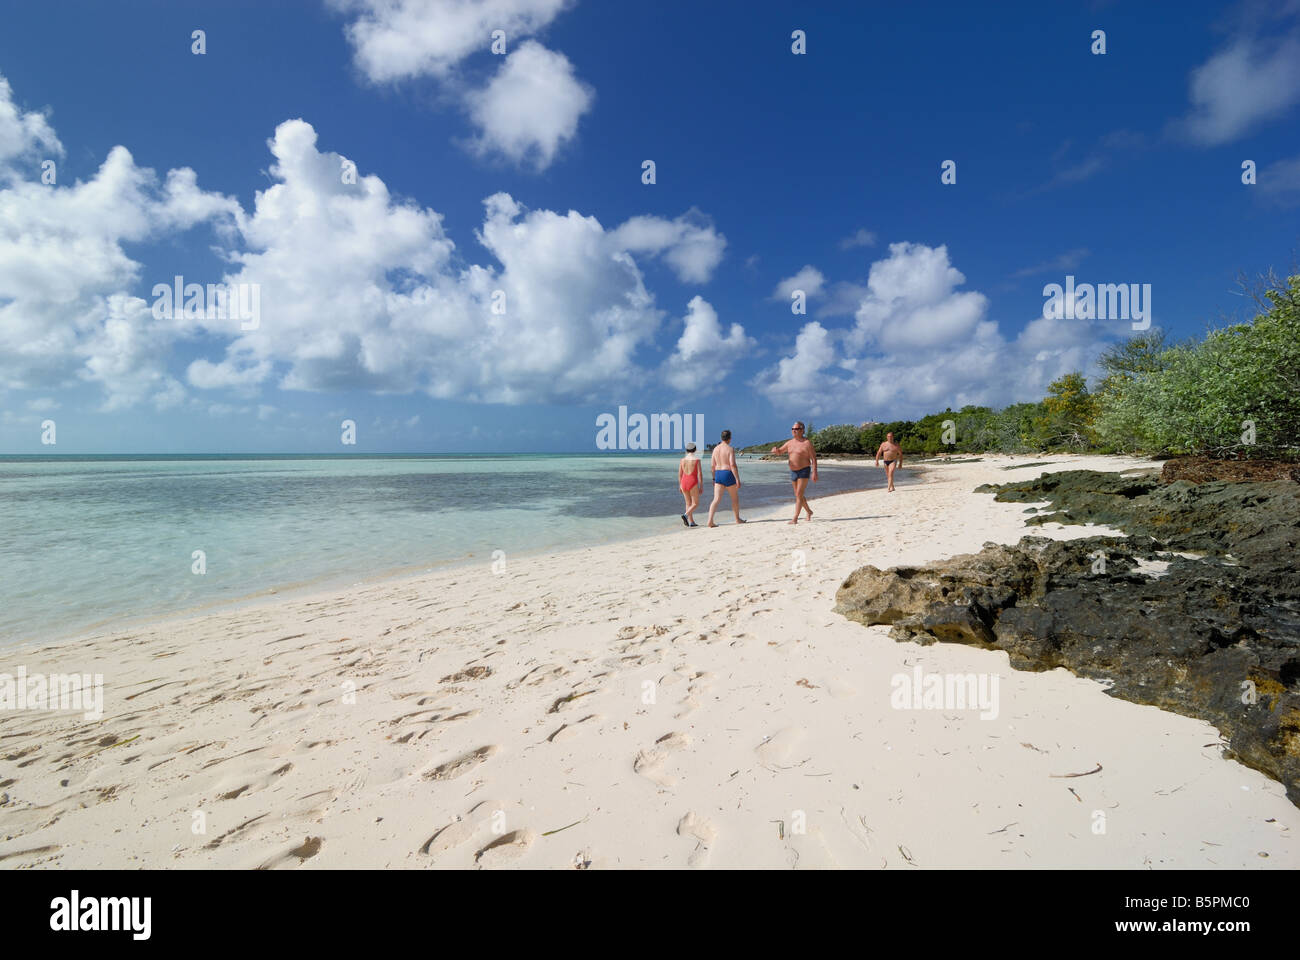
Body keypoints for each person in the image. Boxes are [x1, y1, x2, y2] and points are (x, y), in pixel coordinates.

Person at [770, 420, 818, 524]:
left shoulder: (807, 443)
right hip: (793, 471)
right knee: (798, 495)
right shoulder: (789, 443)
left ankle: (795, 518)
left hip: (804, 470)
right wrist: (775, 450)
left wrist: (814, 472)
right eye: (793, 429)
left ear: (802, 430)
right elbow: (780, 451)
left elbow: (814, 458)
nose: (794, 431)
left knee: (799, 494)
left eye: (796, 429)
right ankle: (809, 512)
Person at [706, 429, 745, 527]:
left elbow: (712, 466)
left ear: (721, 438)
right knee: (734, 499)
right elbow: (732, 464)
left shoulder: (715, 449)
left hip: (718, 474)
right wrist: (737, 478)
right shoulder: (729, 449)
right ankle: (737, 519)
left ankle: (710, 521)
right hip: (728, 473)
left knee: (716, 499)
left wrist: (714, 478)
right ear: (730, 438)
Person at [678, 442, 702, 527]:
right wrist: (701, 485)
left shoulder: (682, 460)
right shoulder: (696, 460)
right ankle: (685, 515)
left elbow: (680, 474)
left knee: (688, 503)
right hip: (692, 481)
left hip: (684, 482)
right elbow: (699, 474)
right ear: (695, 450)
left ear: (687, 450)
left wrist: (680, 485)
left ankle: (691, 522)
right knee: (695, 503)